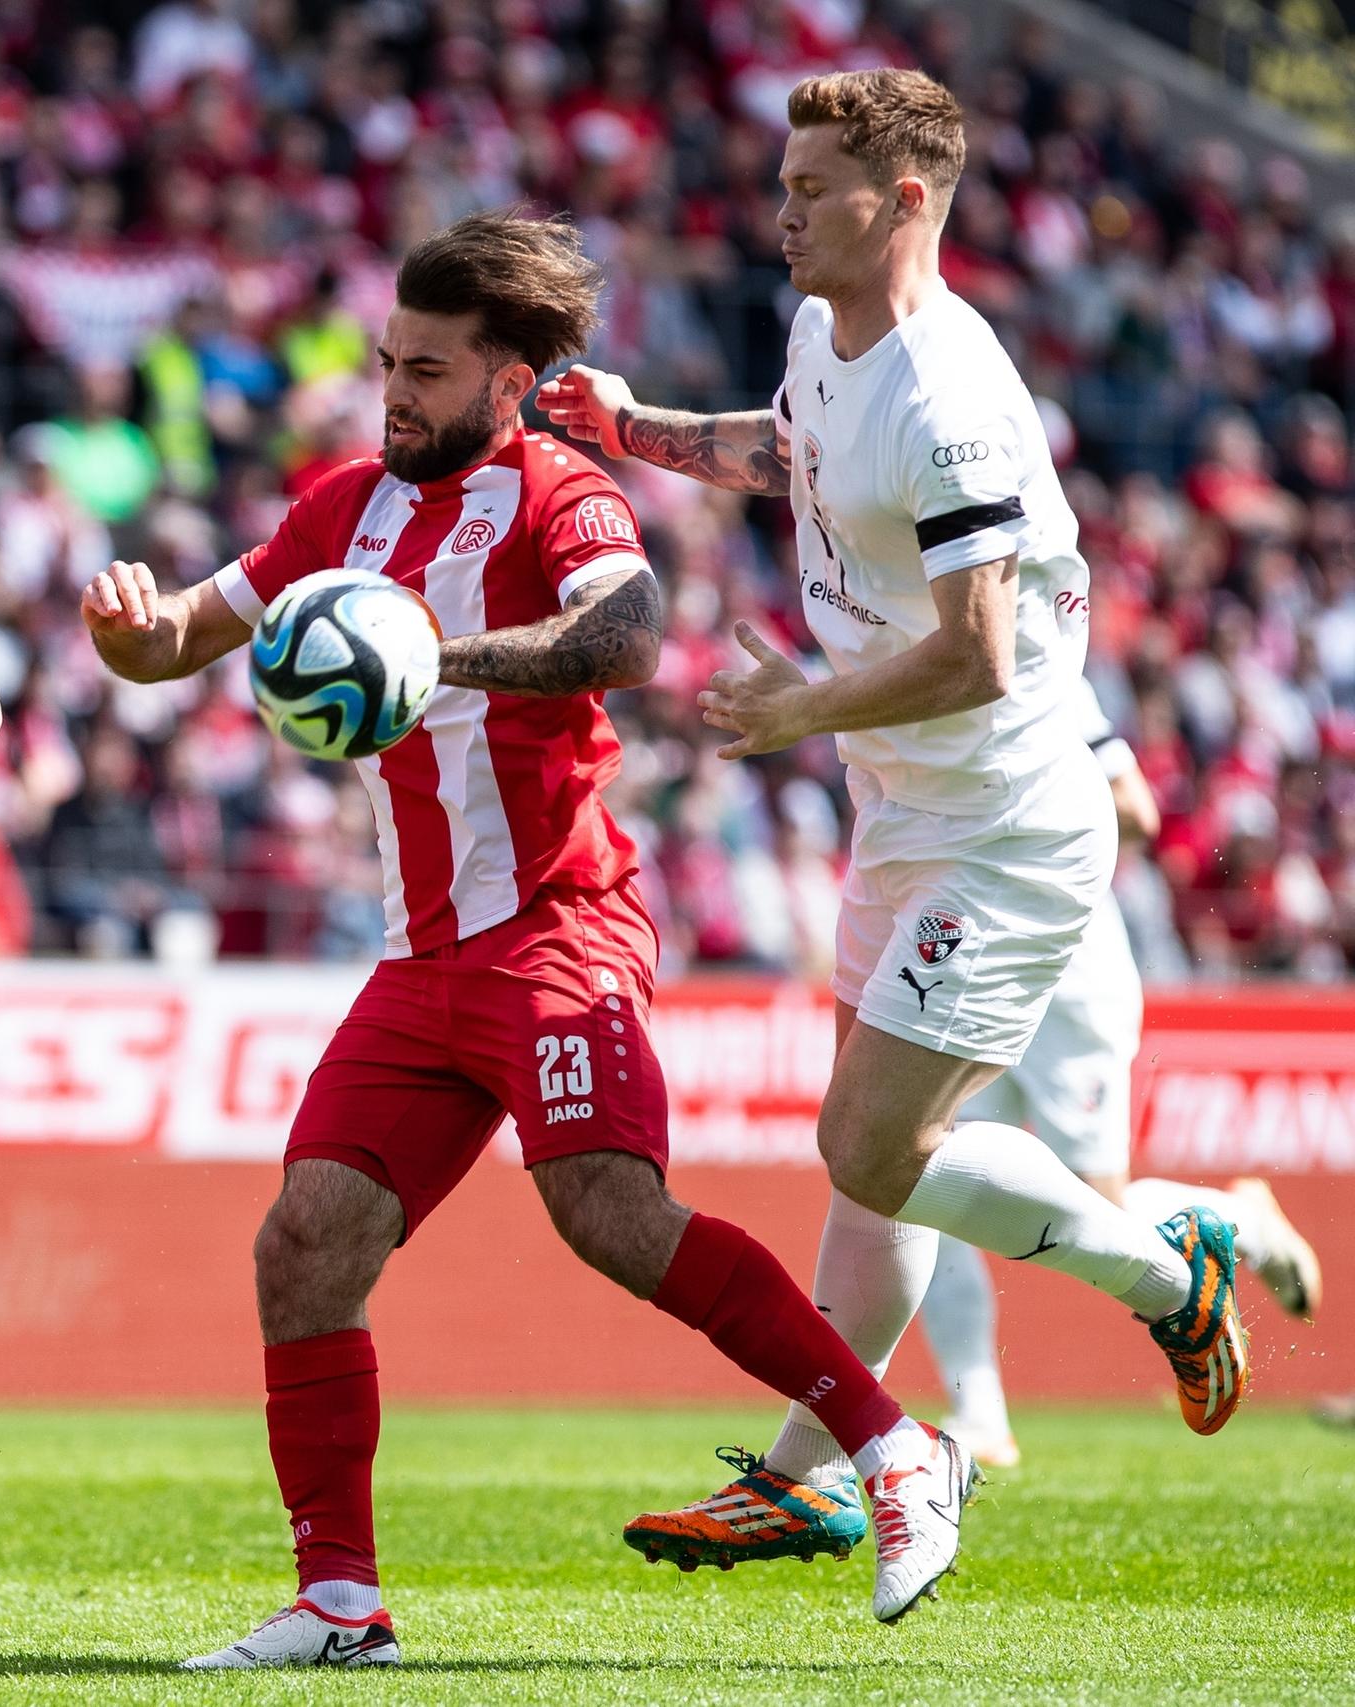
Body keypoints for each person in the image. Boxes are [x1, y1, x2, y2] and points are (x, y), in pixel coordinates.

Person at [86, 210, 975, 1663]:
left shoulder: (558, 491)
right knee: (306, 1242)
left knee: (609, 1211)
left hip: (560, 923)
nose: (395, 392)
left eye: (426, 369)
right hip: (422, 955)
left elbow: (626, 638)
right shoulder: (343, 508)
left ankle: (894, 1448)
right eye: (389, 360)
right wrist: (128, 621)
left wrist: (432, 653)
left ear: (510, 380)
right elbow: (186, 631)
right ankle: (338, 1599)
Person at [538, 69, 1249, 1571]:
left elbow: (981, 647)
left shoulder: (953, 394)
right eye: (784, 181)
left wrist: (803, 706)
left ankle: (1165, 1276)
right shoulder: (823, 331)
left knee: (868, 1144)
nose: (781, 209)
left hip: (1005, 821)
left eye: (813, 189)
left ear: (906, 198)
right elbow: (789, 448)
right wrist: (633, 424)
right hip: (906, 805)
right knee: (880, 1157)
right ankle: (811, 1466)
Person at [918, 677, 1322, 1467]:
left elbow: (1133, 808)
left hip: (1064, 965)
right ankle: (981, 1418)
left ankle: (1244, 1228)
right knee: (927, 1173)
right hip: (974, 953)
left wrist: (1021, 833)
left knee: (1092, 1211)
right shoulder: (949, 648)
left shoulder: (1033, 665)